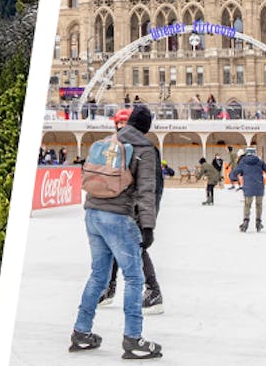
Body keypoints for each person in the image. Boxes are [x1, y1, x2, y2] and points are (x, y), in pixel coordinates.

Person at [69, 105, 164, 359]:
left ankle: (81, 332)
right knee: (133, 278)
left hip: (92, 213)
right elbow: (146, 191)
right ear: (147, 127)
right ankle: (133, 339)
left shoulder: (107, 142)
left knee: (98, 276)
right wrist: (148, 227)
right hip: (118, 217)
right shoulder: (144, 149)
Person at [227, 145, 266, 232]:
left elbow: (233, 173)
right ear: (255, 153)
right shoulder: (260, 162)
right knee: (259, 205)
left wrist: (232, 178)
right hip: (259, 186)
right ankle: (258, 222)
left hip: (248, 187)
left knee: (247, 205)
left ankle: (245, 221)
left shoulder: (243, 162)